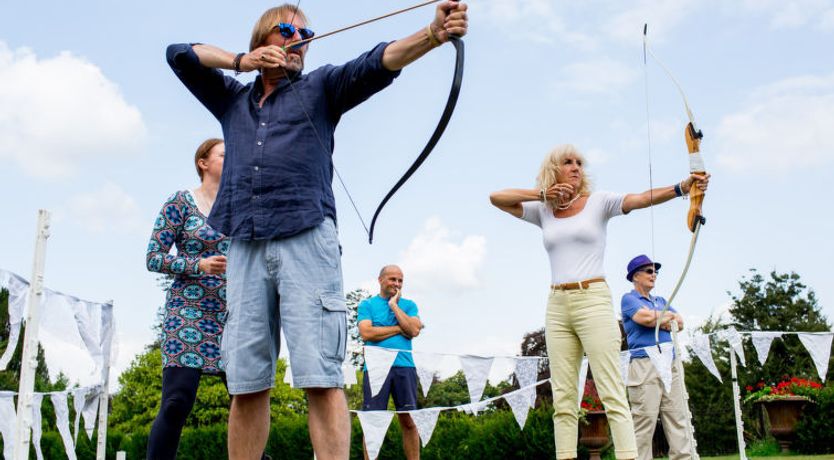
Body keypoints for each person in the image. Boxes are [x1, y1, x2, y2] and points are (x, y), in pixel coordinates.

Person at [166, 3, 468, 459]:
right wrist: (239, 62)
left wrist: (432, 33)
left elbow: (377, 61)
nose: (300, 39)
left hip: (307, 239)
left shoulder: (322, 86)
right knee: (246, 382)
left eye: (307, 34)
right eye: (287, 31)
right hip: (245, 245)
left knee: (321, 376)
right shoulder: (230, 98)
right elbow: (178, 54)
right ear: (262, 39)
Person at [489, 144, 709, 460]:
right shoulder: (543, 211)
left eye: (580, 162)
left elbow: (640, 198)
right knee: (564, 396)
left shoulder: (598, 203)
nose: (576, 167)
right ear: (554, 169)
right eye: (568, 162)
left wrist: (681, 188)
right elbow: (496, 198)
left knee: (610, 390)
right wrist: (543, 195)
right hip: (557, 303)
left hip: (593, 299)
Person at [145, 138, 228, 459]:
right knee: (177, 401)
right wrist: (198, 264)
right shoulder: (180, 202)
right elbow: (153, 257)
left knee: (246, 400)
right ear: (203, 163)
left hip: (234, 314)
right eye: (224, 154)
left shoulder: (240, 205)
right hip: (188, 314)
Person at [621, 255, 691, 460]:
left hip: (670, 361)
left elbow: (680, 322)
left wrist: (659, 317)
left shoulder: (661, 301)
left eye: (656, 272)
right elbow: (645, 319)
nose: (654, 275)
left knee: (677, 418)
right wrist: (662, 317)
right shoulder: (629, 299)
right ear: (636, 276)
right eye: (649, 271)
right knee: (644, 423)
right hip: (644, 363)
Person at [358, 265, 422, 460]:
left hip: (405, 367)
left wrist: (394, 306)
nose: (397, 284)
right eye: (392, 279)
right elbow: (366, 333)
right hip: (376, 368)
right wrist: (398, 328)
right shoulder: (367, 305)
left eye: (400, 280)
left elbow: (413, 330)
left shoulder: (409, 305)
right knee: (373, 423)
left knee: (409, 420)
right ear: (381, 280)